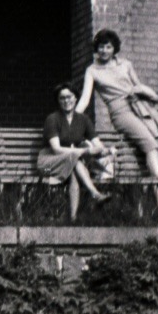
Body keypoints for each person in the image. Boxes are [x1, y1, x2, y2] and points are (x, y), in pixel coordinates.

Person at [77, 29, 158, 209]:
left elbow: (138, 85)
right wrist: (71, 118)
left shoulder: (125, 64)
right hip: (120, 113)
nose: (104, 50)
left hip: (139, 107)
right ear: (97, 48)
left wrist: (150, 94)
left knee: (152, 149)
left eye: (108, 47)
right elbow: (85, 100)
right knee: (150, 143)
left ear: (114, 48)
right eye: (101, 47)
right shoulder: (92, 71)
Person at [38, 85, 112, 222]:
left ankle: (73, 218)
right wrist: (84, 151)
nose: (66, 101)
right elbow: (56, 149)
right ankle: (95, 193)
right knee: (75, 158)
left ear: (76, 98)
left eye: (69, 97)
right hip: (47, 165)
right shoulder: (52, 119)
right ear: (58, 101)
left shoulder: (83, 120)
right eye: (62, 98)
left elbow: (97, 143)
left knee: (74, 170)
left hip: (70, 162)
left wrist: (102, 150)